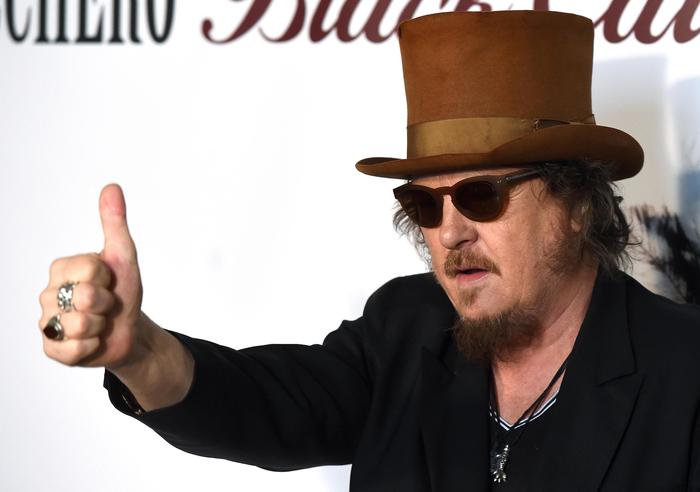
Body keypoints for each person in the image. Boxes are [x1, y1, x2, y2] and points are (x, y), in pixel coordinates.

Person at [38, 10, 700, 492]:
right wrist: (140, 351)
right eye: (424, 205)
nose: (450, 233)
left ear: (576, 203)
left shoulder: (685, 368)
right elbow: (263, 405)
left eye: (481, 196)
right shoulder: (405, 328)